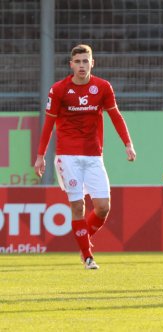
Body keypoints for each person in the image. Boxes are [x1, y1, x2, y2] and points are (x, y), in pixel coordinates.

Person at [34, 44, 136, 270]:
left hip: (93, 155)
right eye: (77, 62)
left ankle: (83, 241)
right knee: (78, 206)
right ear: (71, 65)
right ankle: (88, 255)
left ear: (92, 63)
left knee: (103, 207)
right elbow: (48, 124)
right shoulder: (59, 89)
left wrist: (127, 144)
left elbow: (115, 116)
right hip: (67, 155)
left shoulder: (102, 87)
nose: (82, 65)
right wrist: (40, 156)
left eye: (85, 61)